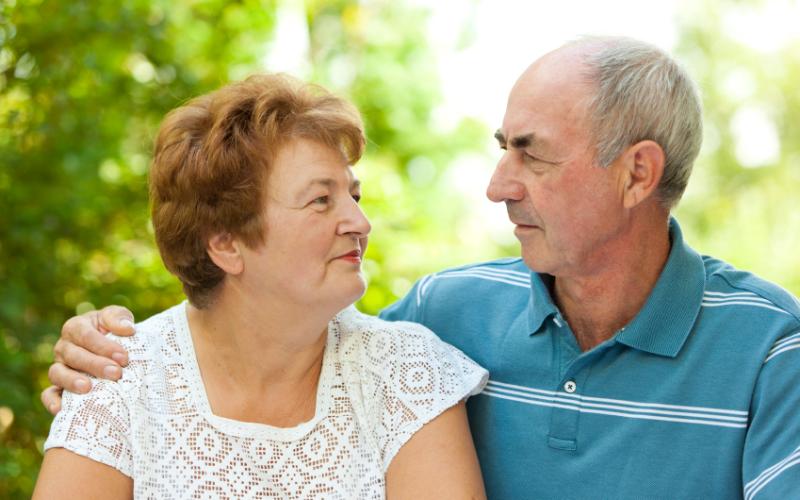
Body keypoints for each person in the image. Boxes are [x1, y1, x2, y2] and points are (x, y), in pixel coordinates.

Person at [42, 36, 800, 498]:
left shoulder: (771, 350)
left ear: (637, 175)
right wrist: (97, 345)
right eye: (500, 148)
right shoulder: (448, 312)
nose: (497, 185)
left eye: (529, 152)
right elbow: (289, 339)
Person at [33, 74, 488, 499]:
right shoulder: (119, 379)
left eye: (354, 195)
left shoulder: (407, 375)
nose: (360, 222)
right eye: (320, 200)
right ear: (227, 244)